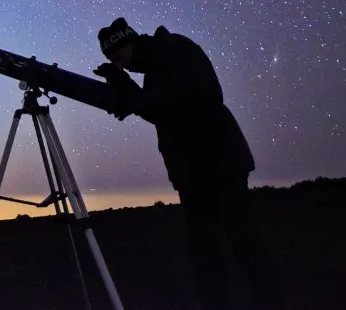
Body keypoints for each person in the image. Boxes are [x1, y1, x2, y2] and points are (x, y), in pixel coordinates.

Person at [93, 17, 285, 310]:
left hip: (216, 166)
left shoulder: (173, 51)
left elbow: (169, 104)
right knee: (207, 252)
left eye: (118, 57)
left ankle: (269, 301)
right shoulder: (160, 61)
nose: (120, 65)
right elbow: (161, 107)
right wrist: (132, 98)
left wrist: (129, 91)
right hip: (196, 171)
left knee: (242, 244)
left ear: (128, 42)